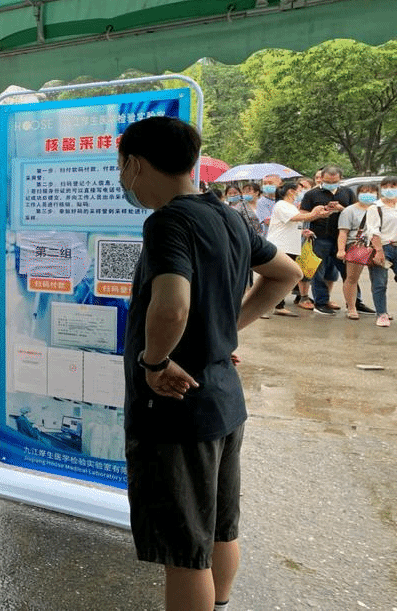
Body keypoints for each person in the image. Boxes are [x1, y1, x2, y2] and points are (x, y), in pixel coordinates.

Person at [118, 116, 300, 611]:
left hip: (178, 409)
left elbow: (172, 307)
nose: (122, 177)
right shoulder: (228, 216)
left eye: (121, 165)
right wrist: (226, 329)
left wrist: (155, 362)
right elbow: (286, 273)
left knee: (184, 549)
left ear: (135, 164)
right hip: (223, 401)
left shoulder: (167, 222)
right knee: (219, 526)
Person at [300, 166, 371, 316]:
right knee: (318, 273)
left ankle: (355, 302)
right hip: (319, 237)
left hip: (343, 239)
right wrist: (317, 215)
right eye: (327, 181)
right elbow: (303, 214)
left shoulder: (347, 192)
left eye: (334, 181)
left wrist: (341, 208)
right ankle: (321, 303)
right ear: (321, 178)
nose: (330, 184)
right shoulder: (311, 194)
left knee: (349, 273)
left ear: (340, 179)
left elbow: (356, 212)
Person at [265, 183, 328, 315]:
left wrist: (310, 224)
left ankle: (277, 305)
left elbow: (294, 224)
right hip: (281, 246)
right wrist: (314, 213)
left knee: (283, 277)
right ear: (291, 191)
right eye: (299, 190)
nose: (301, 193)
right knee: (279, 277)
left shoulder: (291, 206)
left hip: (290, 246)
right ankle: (270, 306)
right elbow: (296, 218)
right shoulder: (281, 205)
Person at [336, 183, 381, 320]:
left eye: (371, 192)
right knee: (352, 278)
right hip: (358, 245)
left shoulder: (380, 209)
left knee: (379, 280)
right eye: (364, 191)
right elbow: (343, 232)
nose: (368, 194)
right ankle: (351, 307)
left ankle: (382, 310)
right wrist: (341, 250)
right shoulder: (349, 211)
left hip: (378, 246)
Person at [367, 176, 397, 327]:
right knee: (379, 283)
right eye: (385, 187)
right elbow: (373, 231)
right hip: (383, 247)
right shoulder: (375, 207)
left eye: (393, 186)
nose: (389, 189)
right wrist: (378, 251)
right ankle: (382, 314)